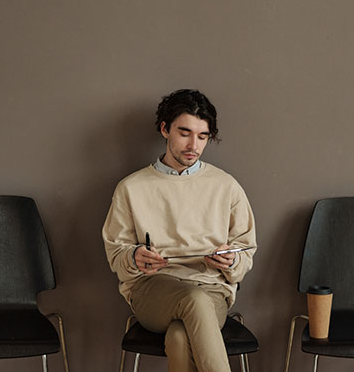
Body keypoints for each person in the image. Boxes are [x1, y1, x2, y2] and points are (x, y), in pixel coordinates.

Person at [102, 89, 257, 372]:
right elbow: (116, 253)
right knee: (193, 300)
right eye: (184, 133)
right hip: (152, 291)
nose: (193, 145)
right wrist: (135, 257)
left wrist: (231, 259)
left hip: (211, 289)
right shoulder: (131, 188)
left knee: (178, 337)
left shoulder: (227, 186)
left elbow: (245, 250)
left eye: (202, 137)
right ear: (165, 129)